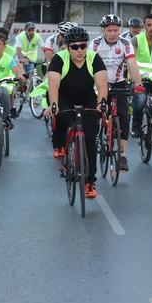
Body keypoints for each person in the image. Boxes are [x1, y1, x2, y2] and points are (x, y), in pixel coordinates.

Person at [44, 26, 108, 199]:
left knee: (90, 138)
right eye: (75, 47)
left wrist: (101, 103)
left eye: (83, 46)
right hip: (64, 96)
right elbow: (53, 85)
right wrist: (54, 105)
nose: (79, 50)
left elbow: (102, 85)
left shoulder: (94, 58)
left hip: (87, 97)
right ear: (67, 46)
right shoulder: (59, 59)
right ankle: (62, 148)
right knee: (62, 117)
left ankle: (90, 182)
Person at [91, 14, 142, 171]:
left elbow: (132, 64)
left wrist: (138, 83)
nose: (113, 33)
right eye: (109, 30)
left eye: (116, 30)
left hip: (119, 83)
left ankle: (122, 156)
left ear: (120, 30)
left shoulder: (126, 43)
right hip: (100, 83)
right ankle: (96, 137)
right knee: (94, 113)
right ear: (103, 31)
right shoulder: (95, 43)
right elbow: (88, 64)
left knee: (124, 116)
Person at [130, 13, 152, 137]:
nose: (151, 28)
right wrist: (133, 77)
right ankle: (136, 126)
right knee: (140, 101)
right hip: (139, 79)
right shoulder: (136, 39)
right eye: (149, 25)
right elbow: (131, 60)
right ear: (144, 26)